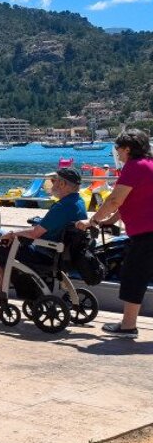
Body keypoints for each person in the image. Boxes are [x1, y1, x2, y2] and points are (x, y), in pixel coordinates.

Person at [77, 129, 153, 338]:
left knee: (133, 277)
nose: (117, 153)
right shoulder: (149, 166)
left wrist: (92, 220)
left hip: (146, 234)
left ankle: (128, 326)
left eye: (118, 148)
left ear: (127, 149)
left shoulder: (134, 167)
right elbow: (133, 200)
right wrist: (110, 220)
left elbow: (114, 200)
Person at [0, 166, 87, 297]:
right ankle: (1, 287)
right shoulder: (79, 202)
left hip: (46, 253)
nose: (52, 184)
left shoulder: (62, 207)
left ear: (62, 184)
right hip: (62, 252)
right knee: (5, 244)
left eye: (53, 180)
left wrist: (11, 234)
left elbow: (35, 233)